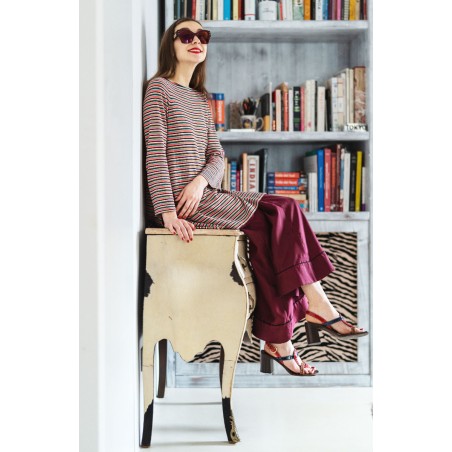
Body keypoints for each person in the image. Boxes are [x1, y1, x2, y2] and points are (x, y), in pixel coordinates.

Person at [143, 17, 368, 377]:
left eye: (203, 35)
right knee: (283, 209)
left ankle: (285, 337)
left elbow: (217, 156)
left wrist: (200, 181)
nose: (196, 41)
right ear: (170, 44)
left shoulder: (200, 99)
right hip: (180, 207)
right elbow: (155, 153)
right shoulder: (159, 90)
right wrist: (167, 213)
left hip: (205, 195)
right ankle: (312, 311)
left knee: (273, 233)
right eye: (185, 36)